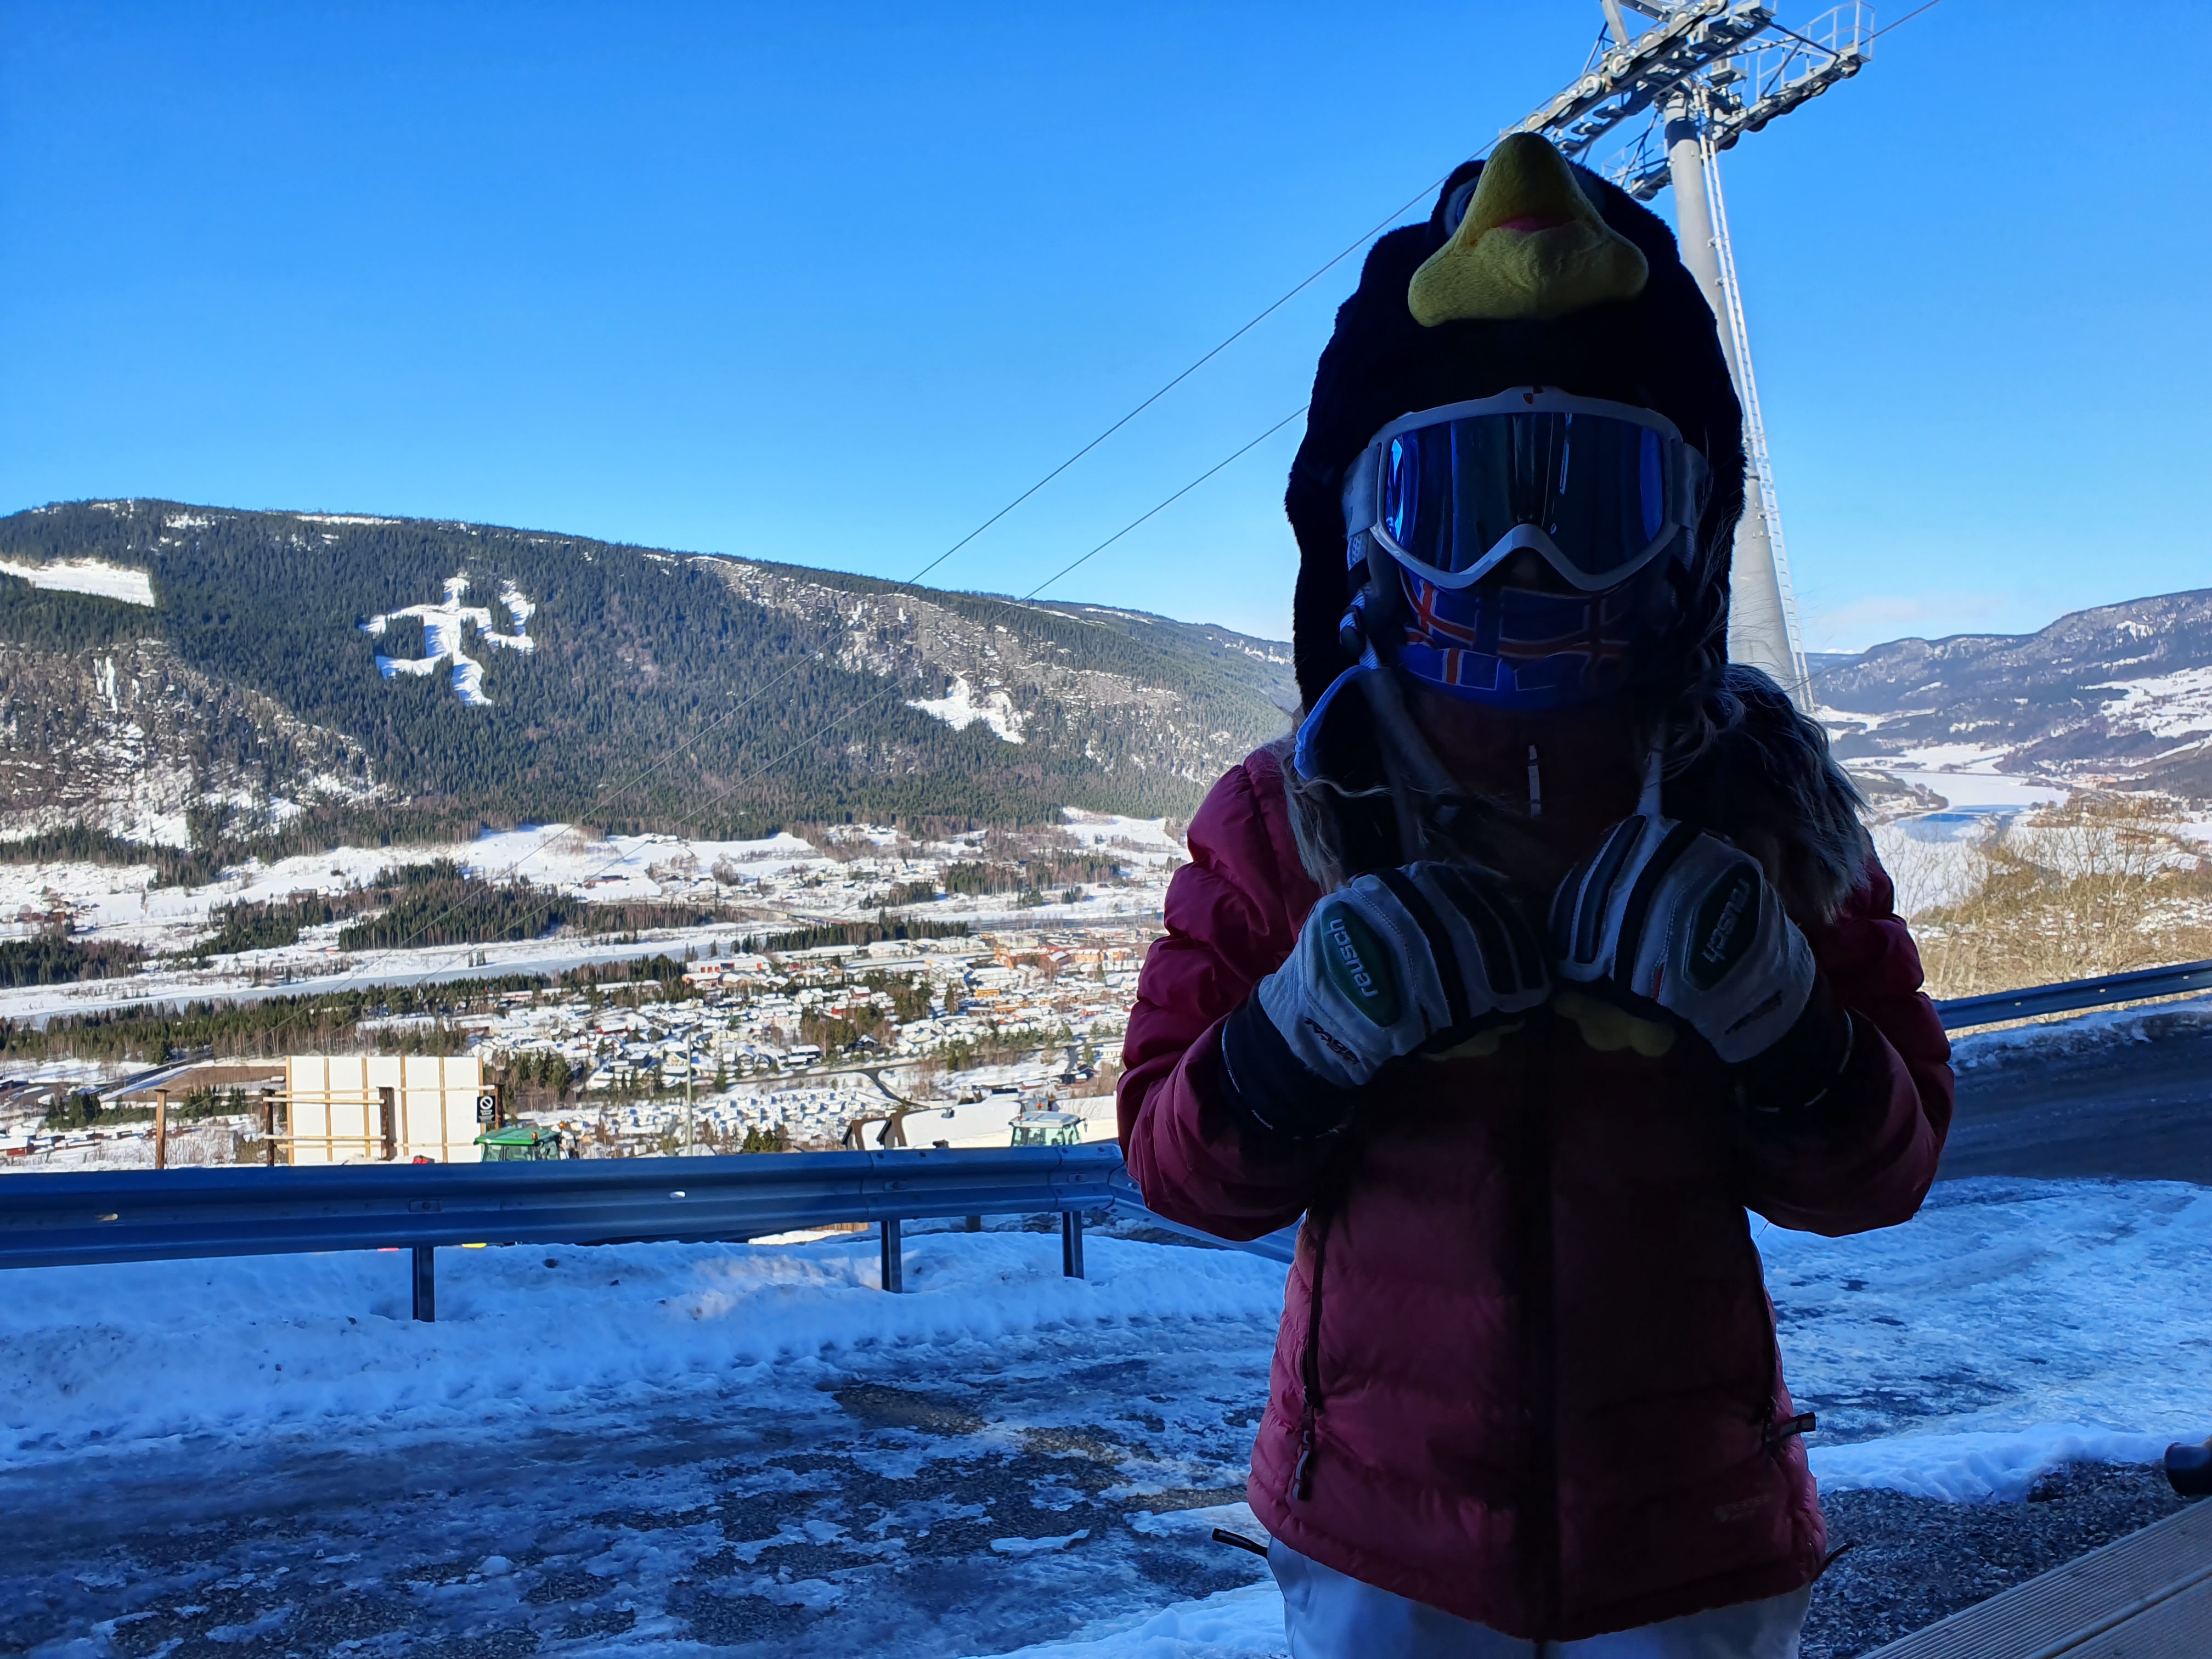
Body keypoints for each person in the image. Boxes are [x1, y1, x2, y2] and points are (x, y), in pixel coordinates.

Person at [1118, 134, 1954, 1656]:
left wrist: (1788, 1027)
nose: (1527, 557)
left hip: (1687, 1542)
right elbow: (1176, 1167)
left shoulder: (1759, 803)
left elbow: (1886, 1171)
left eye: (1594, 495)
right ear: (1360, 533)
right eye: (1463, 498)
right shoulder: (1284, 820)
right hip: (1390, 1537)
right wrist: (1292, 1041)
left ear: (1692, 531)